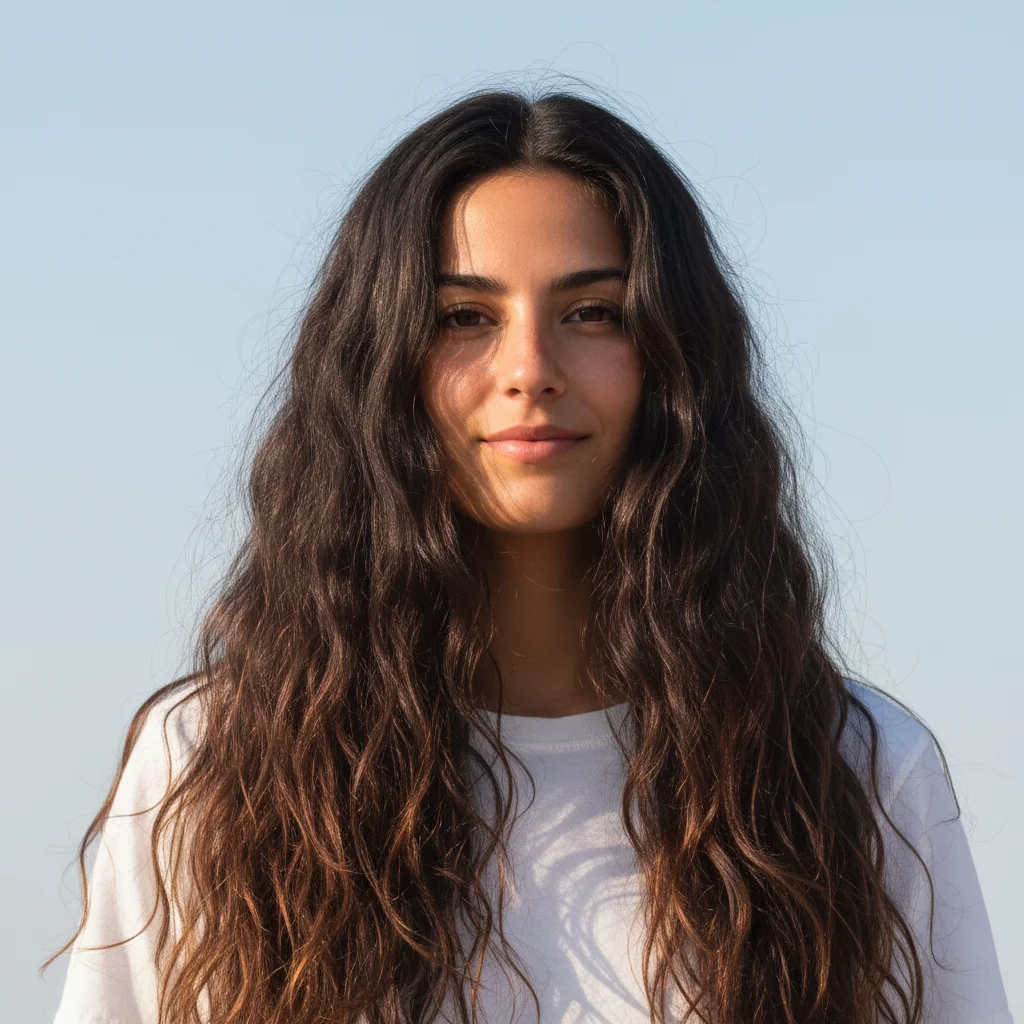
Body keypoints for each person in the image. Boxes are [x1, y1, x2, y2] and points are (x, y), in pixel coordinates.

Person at [44, 89, 1013, 1024]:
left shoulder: (855, 771)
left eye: (593, 312)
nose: (529, 370)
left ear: (674, 357)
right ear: (379, 365)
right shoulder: (213, 768)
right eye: (464, 317)